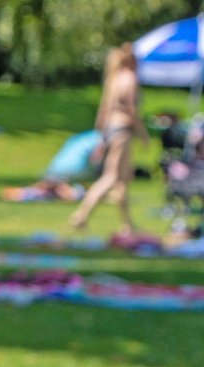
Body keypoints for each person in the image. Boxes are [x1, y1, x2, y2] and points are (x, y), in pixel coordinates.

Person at [68, 46, 148, 233]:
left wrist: (101, 138)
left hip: (110, 130)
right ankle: (81, 215)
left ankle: (127, 224)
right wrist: (143, 134)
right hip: (123, 131)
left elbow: (104, 111)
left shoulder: (113, 79)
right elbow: (132, 110)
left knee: (122, 179)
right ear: (133, 61)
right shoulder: (130, 79)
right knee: (111, 177)